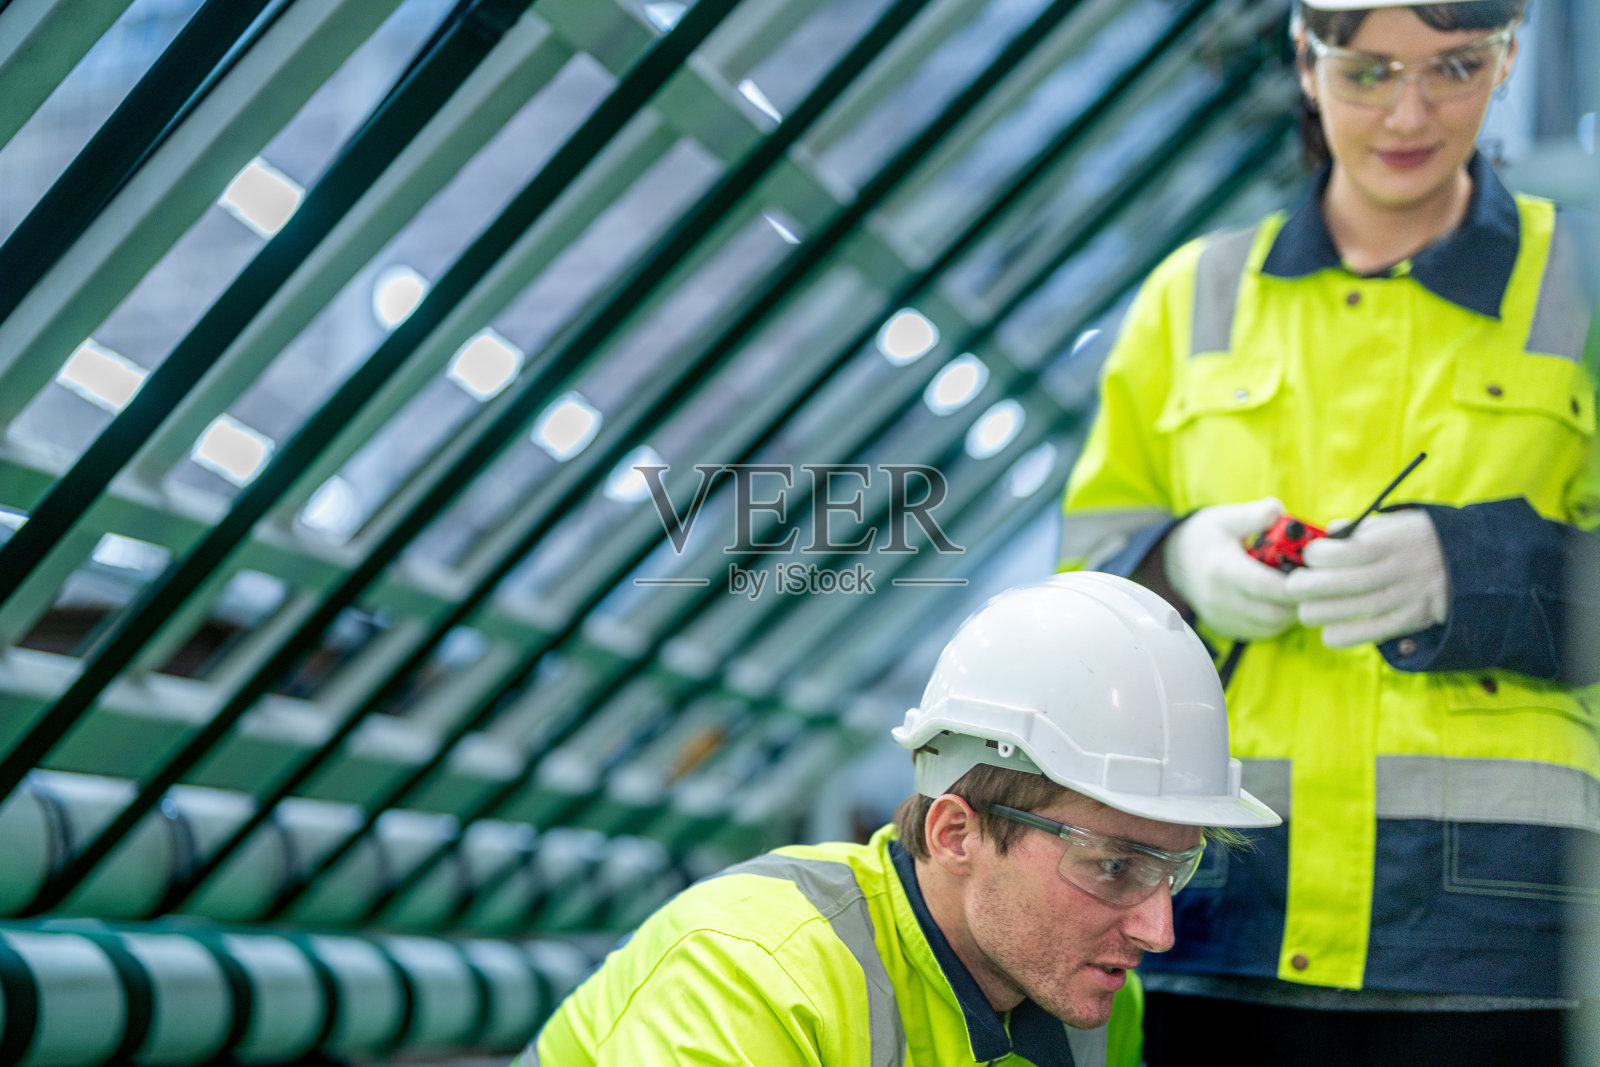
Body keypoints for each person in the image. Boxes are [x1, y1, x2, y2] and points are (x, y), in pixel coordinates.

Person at [1058, 0, 1600, 1062]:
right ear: (1305, 61)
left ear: (1508, 59)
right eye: (1365, 71)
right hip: (1221, 911)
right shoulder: (1190, 297)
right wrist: (1181, 566)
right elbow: (1083, 582)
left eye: (1452, 67)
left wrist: (1476, 573)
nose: (1409, 112)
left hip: (1491, 933)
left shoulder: (1579, 289)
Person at [516, 572, 1280, 1065]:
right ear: (957, 833)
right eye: (1114, 866)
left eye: (1172, 868)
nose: (1158, 930)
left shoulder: (1092, 1001)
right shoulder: (751, 971)